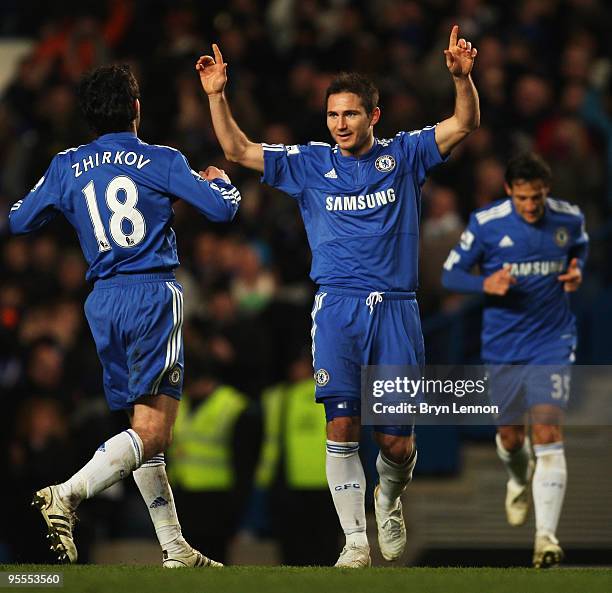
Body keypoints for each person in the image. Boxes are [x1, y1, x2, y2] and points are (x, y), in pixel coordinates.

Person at [196, 25, 479, 567]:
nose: (339, 124)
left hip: (396, 309)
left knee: (396, 443)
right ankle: (354, 541)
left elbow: (465, 122)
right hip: (337, 309)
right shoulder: (308, 163)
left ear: (373, 116)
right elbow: (235, 148)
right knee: (342, 426)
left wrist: (462, 81)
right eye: (332, 115)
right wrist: (217, 95)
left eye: (349, 114)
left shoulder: (406, 155)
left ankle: (389, 499)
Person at [8, 64, 241, 567]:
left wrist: (60, 205)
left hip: (102, 303)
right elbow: (223, 211)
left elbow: (19, 220)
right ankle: (66, 495)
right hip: (151, 293)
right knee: (154, 433)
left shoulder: (66, 164)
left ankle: (174, 547)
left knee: (142, 427)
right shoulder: (160, 159)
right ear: (136, 108)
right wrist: (222, 182)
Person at [441, 153, 589, 568]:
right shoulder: (486, 224)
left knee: (546, 426)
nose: (530, 206)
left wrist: (576, 270)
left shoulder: (569, 219)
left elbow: (580, 250)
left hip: (552, 340)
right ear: (509, 191)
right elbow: (449, 274)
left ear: (548, 191)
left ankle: (545, 538)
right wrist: (484, 281)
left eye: (537, 198)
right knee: (510, 436)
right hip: (503, 345)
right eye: (522, 198)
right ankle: (517, 477)